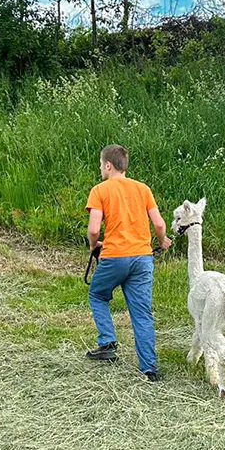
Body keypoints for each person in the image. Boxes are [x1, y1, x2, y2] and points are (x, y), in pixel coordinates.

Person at [85, 144, 173, 380]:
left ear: (107, 165)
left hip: (114, 256)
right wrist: (162, 241)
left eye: (100, 165)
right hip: (142, 258)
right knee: (142, 314)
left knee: (97, 294)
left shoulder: (100, 190)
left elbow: (94, 229)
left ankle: (107, 343)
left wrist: (94, 245)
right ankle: (149, 369)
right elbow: (160, 225)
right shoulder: (142, 189)